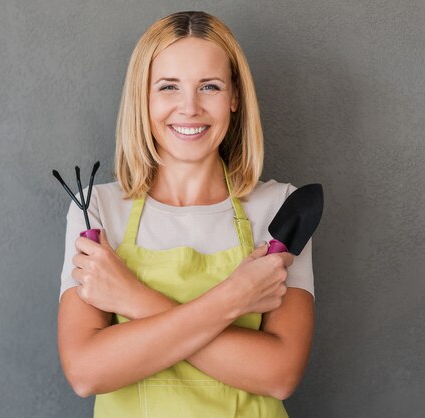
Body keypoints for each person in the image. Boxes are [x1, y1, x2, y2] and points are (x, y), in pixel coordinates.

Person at [57, 11, 314, 418]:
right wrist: (235, 298)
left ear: (234, 97)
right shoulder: (96, 210)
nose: (189, 107)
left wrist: (132, 298)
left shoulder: (279, 208)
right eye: (168, 87)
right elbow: (86, 372)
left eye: (209, 86)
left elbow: (278, 374)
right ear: (144, 98)